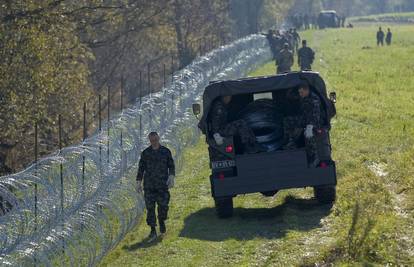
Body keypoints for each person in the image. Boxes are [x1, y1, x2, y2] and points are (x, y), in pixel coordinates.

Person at [136, 132, 175, 242]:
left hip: (162, 185)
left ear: (158, 138)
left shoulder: (165, 152)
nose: (154, 142)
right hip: (149, 186)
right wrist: (138, 182)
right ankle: (153, 230)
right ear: (150, 140)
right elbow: (141, 168)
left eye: (155, 140)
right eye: (152, 140)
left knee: (163, 206)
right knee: (150, 208)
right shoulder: (145, 153)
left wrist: (171, 176)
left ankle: (162, 220)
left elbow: (171, 165)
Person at [298, 83, 324, 167]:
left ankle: (315, 159)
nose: (300, 94)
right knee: (289, 122)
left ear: (307, 90)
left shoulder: (314, 99)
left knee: (309, 135)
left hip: (315, 124)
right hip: (306, 121)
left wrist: (310, 126)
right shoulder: (305, 97)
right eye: (299, 92)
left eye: (301, 92)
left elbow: (316, 116)